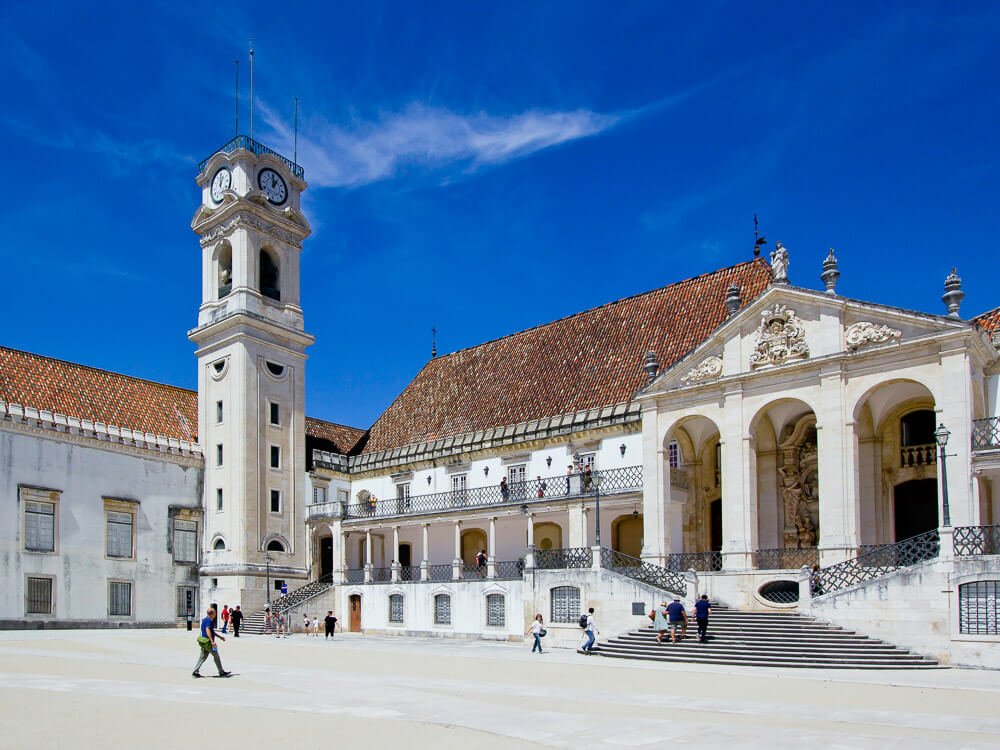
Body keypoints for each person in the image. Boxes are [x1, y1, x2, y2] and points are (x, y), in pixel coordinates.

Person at [193, 606, 232, 678]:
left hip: (204, 642)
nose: (215, 614)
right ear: (211, 614)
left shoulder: (204, 620)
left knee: (202, 657)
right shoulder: (209, 620)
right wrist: (212, 641)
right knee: (216, 656)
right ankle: (221, 672)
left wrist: (220, 637)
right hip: (208, 642)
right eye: (215, 613)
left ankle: (195, 672)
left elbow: (212, 631)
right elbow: (208, 630)